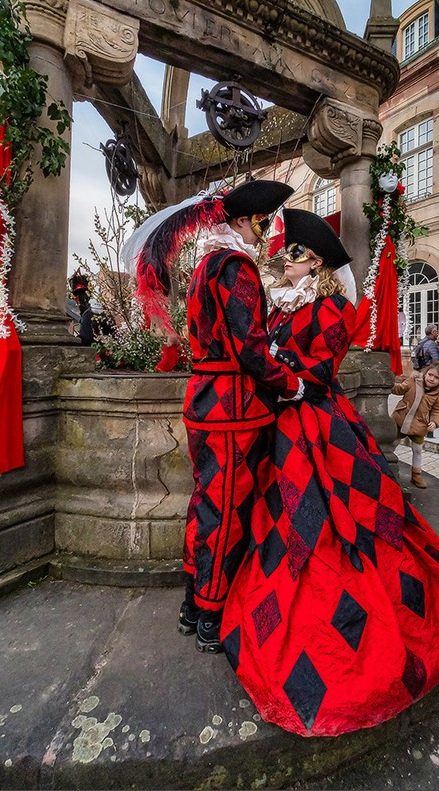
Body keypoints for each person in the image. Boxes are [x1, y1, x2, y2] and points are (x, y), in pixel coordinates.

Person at [220, 210, 439, 737]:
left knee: (341, 525)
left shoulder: (330, 308)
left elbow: (318, 371)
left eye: (294, 255)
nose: (284, 260)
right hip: (282, 421)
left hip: (316, 425)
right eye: (285, 253)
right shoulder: (283, 304)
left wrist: (279, 368)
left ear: (314, 262)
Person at [126, 179, 304, 655]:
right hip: (234, 408)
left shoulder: (207, 265)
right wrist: (291, 382)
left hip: (207, 399)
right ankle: (210, 613)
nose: (265, 236)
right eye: (263, 224)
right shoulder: (236, 266)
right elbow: (249, 349)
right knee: (227, 510)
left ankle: (192, 605)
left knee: (208, 503)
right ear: (242, 221)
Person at [392, 362, 439, 488]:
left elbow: (437, 411)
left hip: (419, 425)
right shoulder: (413, 381)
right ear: (425, 373)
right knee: (393, 443)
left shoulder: (438, 395)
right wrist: (389, 384)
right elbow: (400, 388)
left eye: (436, 377)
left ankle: (416, 475)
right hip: (401, 419)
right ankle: (384, 465)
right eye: (430, 375)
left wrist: (435, 422)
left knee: (417, 450)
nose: (432, 379)